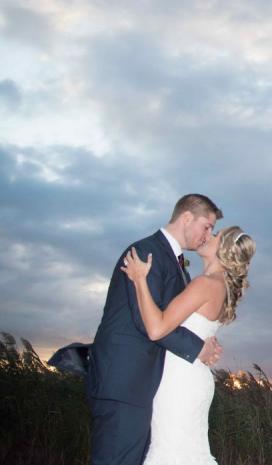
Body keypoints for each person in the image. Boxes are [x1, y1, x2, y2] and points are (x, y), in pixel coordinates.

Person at [86, 194, 225, 465]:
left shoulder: (177, 262)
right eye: (206, 226)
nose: (208, 234)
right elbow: (146, 320)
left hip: (145, 384)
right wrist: (198, 347)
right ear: (187, 217)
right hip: (124, 380)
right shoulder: (145, 253)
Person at [121, 224, 256, 465]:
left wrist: (140, 280)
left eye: (215, 236)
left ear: (223, 251)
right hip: (192, 376)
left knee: (171, 453)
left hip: (180, 381)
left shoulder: (205, 284)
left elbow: (156, 328)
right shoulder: (219, 287)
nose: (208, 237)